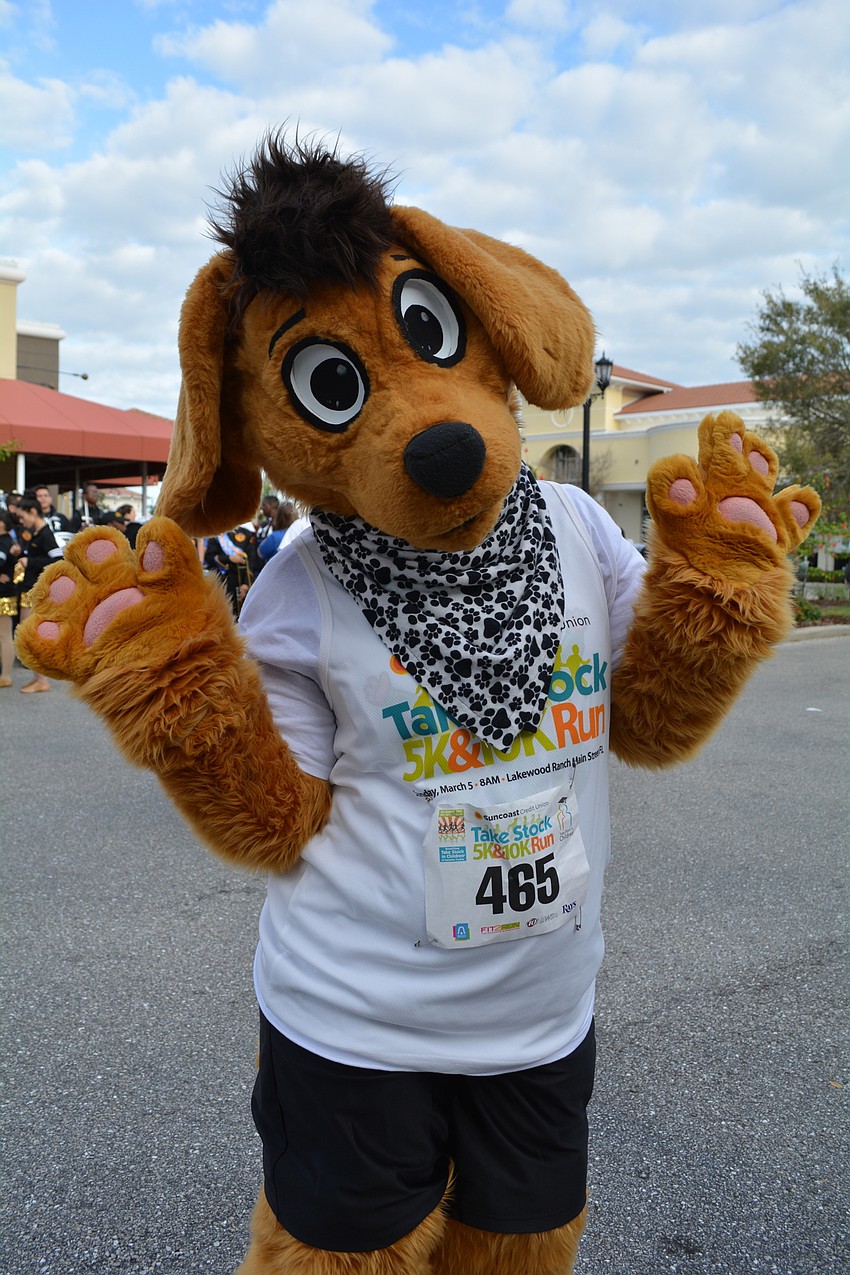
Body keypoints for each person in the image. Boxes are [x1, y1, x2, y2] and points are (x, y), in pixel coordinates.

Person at [15, 497, 64, 692]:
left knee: (31, 635)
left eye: (21, 516)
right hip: (28, 590)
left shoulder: (45, 534)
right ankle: (38, 678)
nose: (20, 521)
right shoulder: (36, 533)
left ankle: (42, 680)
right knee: (29, 634)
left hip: (35, 592)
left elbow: (57, 559)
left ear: (32, 512)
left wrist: (30, 561)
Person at [0, 508, 19, 687]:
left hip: (3, 595)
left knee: (4, 635)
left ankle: (6, 675)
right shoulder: (6, 540)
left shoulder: (4, 541)